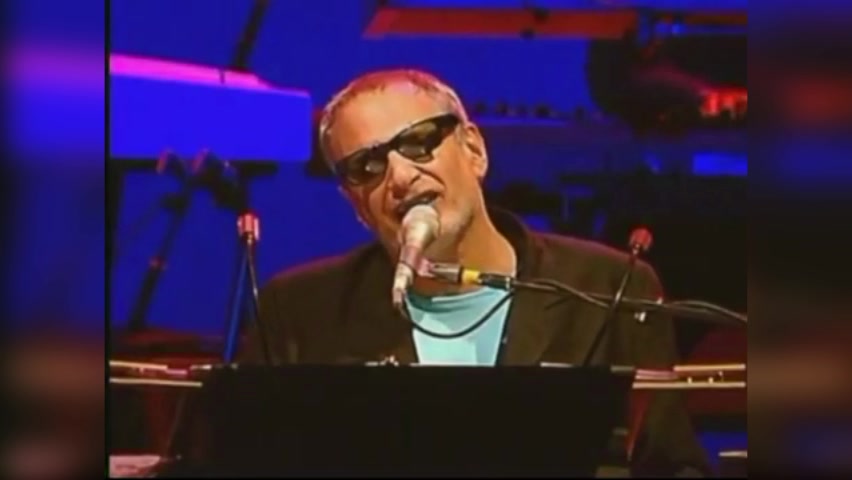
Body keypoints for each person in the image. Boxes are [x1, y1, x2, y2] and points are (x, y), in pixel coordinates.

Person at [241, 69, 711, 476]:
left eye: (418, 143)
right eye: (368, 166)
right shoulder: (298, 312)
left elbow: (672, 467)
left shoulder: (609, 288)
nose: (400, 177)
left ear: (474, 150)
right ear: (355, 204)